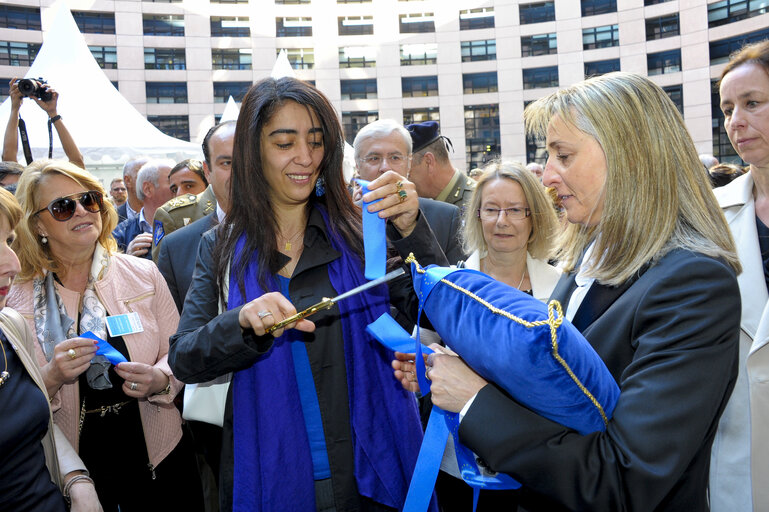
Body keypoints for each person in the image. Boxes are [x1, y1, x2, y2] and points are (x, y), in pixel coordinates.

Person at [394, 72, 741, 511]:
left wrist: (474, 400)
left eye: (563, 155)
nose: (549, 176)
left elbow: (624, 479)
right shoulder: (586, 260)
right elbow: (554, 391)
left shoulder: (694, 284)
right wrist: (468, 371)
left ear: (628, 155)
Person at [168, 77, 449, 512]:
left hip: (372, 469)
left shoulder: (361, 233)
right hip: (272, 470)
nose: (305, 158)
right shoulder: (220, 245)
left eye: (316, 142)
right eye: (285, 143)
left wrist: (414, 232)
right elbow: (185, 357)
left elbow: (437, 317)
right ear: (252, 151)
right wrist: (241, 322)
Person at [7, 160, 203, 511]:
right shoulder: (15, 299)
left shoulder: (143, 274)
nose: (82, 211)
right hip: (72, 469)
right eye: (63, 207)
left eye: (90, 199)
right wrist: (51, 376)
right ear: (38, 224)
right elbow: (11, 398)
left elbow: (179, 348)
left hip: (160, 452)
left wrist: (160, 378)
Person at [0, 186, 101, 512]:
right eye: (62, 206)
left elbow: (31, 425)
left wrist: (77, 479)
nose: (11, 263)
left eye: (9, 241)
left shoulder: (10, 328)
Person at [712, 38, 769, 512]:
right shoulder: (713, 212)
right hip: (737, 437)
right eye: (728, 108)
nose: (736, 122)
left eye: (753, 103)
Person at [353, 119, 466, 264]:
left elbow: (454, 284)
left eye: (395, 157)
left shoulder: (446, 218)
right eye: (374, 158)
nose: (385, 167)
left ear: (409, 164)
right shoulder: (338, 220)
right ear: (357, 166)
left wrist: (412, 229)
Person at [460, 160, 560, 301]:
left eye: (515, 210)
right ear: (478, 216)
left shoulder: (558, 285)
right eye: (491, 209)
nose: (501, 221)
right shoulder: (453, 285)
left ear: (535, 217)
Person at [152, 121, 234, 261]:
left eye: (189, 186)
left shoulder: (278, 209)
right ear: (208, 172)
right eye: (226, 163)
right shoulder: (173, 216)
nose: (180, 193)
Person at [3, 78, 85, 170]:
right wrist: (53, 114)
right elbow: (77, 161)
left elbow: (8, 159)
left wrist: (15, 109)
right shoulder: (63, 183)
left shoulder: (21, 183)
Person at [405, 121, 475, 210]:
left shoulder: (477, 201)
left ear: (428, 162)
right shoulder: (425, 206)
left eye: (408, 172)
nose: (405, 179)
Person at [112, 159, 174, 259]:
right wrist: (126, 261)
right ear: (148, 189)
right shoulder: (119, 234)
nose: (178, 190)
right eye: (171, 182)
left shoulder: (188, 224)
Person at [115, 157, 147, 223]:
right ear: (128, 181)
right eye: (144, 176)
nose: (151, 181)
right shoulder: (113, 218)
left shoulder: (165, 215)